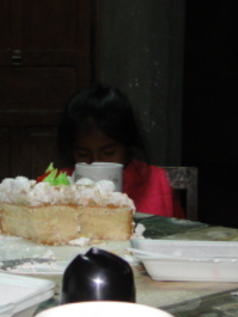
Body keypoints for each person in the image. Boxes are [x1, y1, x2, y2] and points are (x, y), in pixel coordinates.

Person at [57, 85, 185, 218]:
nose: (96, 162)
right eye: (83, 154)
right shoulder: (56, 188)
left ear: (127, 145)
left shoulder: (157, 183)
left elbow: (180, 229)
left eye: (108, 152)